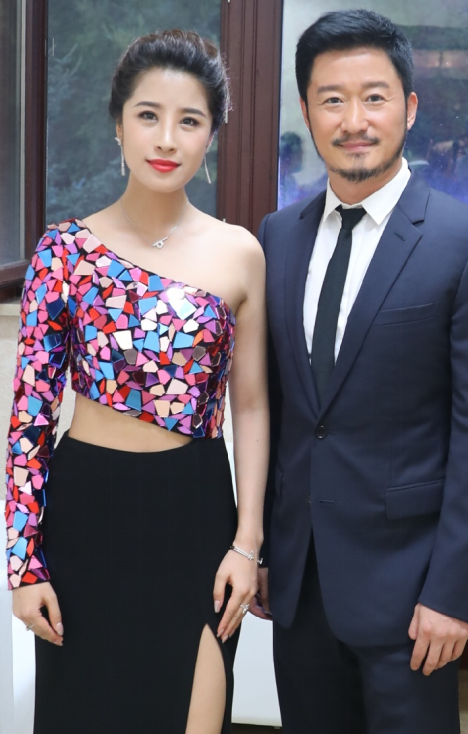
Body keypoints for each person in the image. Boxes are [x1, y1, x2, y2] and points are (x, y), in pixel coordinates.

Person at [253, 10, 468, 734]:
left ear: (410, 106)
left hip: (412, 593)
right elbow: (284, 410)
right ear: (306, 110)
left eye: (374, 97)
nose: (354, 120)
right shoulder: (278, 236)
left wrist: (455, 591)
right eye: (332, 99)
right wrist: (268, 548)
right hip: (299, 587)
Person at [5, 29, 268, 734]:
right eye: (148, 115)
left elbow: (250, 406)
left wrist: (247, 543)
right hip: (87, 517)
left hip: (195, 512)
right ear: (118, 123)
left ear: (211, 135)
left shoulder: (240, 253)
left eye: (190, 120)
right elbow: (31, 416)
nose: (167, 139)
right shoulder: (64, 251)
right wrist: (24, 564)